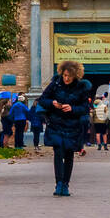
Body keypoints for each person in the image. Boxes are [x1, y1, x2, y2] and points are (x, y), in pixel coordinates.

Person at [38, 61, 92, 196]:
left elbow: (85, 108)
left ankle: (66, 184)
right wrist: (52, 103)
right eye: (65, 75)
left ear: (75, 76)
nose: (66, 78)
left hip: (72, 126)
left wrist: (72, 108)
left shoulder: (81, 88)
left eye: (69, 76)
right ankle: (59, 184)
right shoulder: (55, 84)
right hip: (56, 124)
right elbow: (42, 99)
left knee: (68, 154)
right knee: (58, 152)